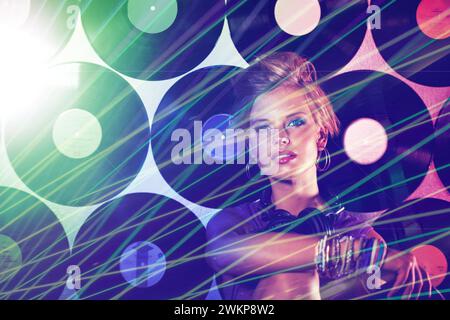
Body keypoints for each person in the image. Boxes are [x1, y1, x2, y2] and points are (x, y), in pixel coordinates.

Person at [205, 52, 434, 300]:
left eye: (294, 122)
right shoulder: (234, 223)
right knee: (290, 277)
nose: (280, 138)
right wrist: (348, 252)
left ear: (321, 136)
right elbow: (222, 254)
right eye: (263, 128)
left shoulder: (359, 234)